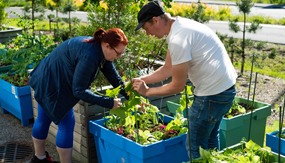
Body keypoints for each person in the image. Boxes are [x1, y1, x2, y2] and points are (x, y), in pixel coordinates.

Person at [132, 1, 237, 159]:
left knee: (195, 147)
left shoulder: (178, 40)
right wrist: (142, 79)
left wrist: (147, 91)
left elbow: (177, 86)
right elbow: (168, 68)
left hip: (211, 95)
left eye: (147, 29)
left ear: (156, 20)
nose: (148, 34)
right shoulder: (179, 26)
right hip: (225, 89)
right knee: (209, 140)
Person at [29, 28, 129, 163]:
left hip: (47, 76)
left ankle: (39, 158)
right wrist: (109, 103)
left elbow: (113, 77)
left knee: (43, 118)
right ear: (107, 45)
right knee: (66, 124)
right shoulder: (90, 56)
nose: (119, 56)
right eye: (119, 53)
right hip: (54, 83)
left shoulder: (98, 48)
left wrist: (130, 96)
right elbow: (79, 91)